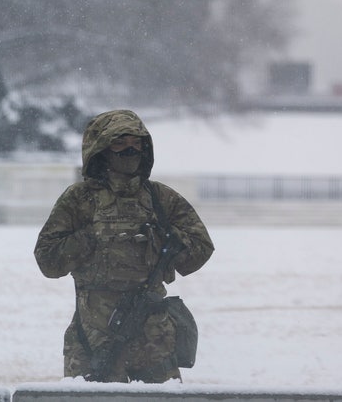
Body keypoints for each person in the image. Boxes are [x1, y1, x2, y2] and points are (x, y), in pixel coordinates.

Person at [35, 109, 214, 383]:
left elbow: (201, 249)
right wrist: (93, 236)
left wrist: (166, 238)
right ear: (102, 149)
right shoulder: (79, 199)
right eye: (119, 143)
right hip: (94, 337)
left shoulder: (160, 198)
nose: (129, 150)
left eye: (136, 143)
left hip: (154, 338)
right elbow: (47, 260)